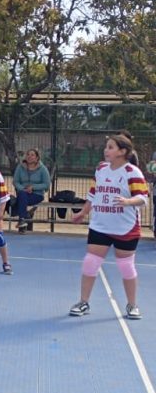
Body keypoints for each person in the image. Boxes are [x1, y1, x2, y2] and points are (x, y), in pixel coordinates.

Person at [69, 134, 148, 319]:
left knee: (126, 267)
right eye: (106, 147)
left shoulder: (132, 172)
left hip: (125, 228)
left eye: (111, 147)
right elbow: (93, 193)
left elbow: (143, 198)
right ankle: (83, 302)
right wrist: (83, 212)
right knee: (90, 262)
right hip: (100, 225)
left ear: (123, 151)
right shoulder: (101, 169)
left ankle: (132, 305)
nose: (106, 150)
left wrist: (128, 201)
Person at [12, 149, 50, 233]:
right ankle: (23, 219)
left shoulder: (43, 169)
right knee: (22, 195)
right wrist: (23, 189)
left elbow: (46, 184)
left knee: (21, 199)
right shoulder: (20, 167)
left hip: (37, 194)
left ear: (37, 158)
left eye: (32, 155)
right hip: (23, 193)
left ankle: (22, 219)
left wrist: (33, 187)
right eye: (28, 154)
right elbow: (15, 182)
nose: (29, 156)